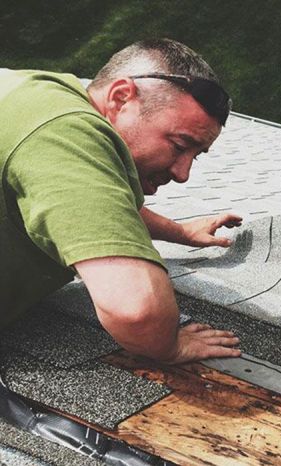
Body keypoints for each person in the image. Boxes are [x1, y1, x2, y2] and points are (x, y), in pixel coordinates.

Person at [0, 38, 243, 364]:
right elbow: (136, 312)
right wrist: (171, 346)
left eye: (195, 156)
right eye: (180, 144)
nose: (183, 173)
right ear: (120, 98)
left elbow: (89, 202)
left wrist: (179, 232)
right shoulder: (65, 132)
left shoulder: (36, 95)